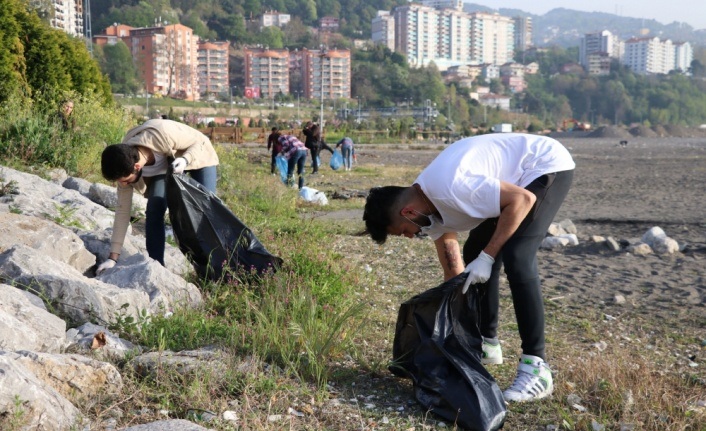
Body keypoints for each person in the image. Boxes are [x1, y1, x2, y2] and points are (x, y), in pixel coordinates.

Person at [363, 133, 575, 403]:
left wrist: (488, 257)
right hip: (512, 182)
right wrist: (451, 322)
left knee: (517, 255)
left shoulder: (451, 188)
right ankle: (486, 343)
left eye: (404, 231)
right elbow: (453, 267)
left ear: (407, 213)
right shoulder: (427, 208)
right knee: (474, 251)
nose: (409, 236)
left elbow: (522, 200)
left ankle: (537, 367)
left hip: (543, 165)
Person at [96, 119, 219, 273]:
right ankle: (157, 267)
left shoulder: (163, 133)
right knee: (154, 208)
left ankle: (217, 266)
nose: (124, 185)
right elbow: (122, 212)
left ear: (137, 167)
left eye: (126, 181)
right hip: (164, 169)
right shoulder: (123, 163)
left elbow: (199, 142)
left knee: (207, 211)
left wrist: (185, 159)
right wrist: (112, 258)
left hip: (197, 153)